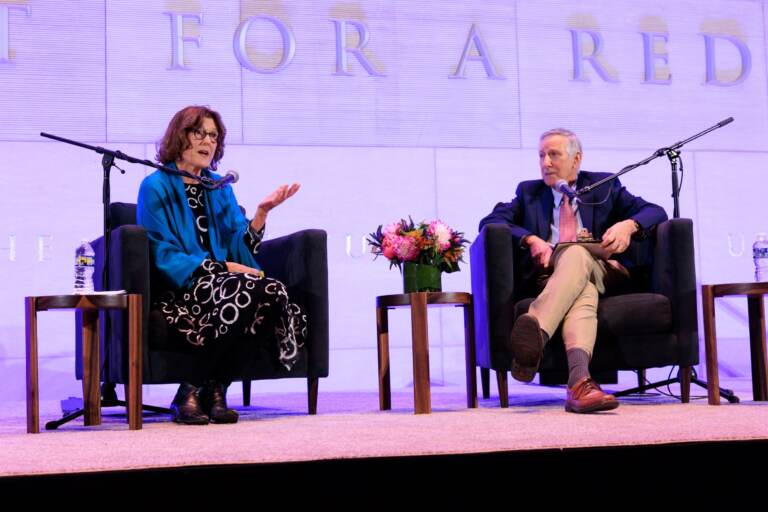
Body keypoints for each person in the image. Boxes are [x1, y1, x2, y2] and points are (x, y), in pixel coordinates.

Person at [137, 105, 306, 425]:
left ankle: (216, 389)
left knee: (271, 291)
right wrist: (223, 269)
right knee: (243, 291)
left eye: (213, 135)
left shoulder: (219, 187)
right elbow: (162, 252)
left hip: (224, 282)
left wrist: (261, 213)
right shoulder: (155, 187)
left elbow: (238, 244)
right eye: (199, 132)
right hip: (183, 285)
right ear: (179, 135)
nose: (207, 141)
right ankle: (188, 391)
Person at [479, 128, 667, 413]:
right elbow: (491, 221)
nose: (545, 163)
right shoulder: (529, 193)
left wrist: (629, 226)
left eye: (553, 155)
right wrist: (531, 239)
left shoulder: (605, 187)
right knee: (583, 290)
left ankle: (535, 337)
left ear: (576, 159)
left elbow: (655, 211)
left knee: (577, 253)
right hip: (557, 278)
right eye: (541, 155)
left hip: (606, 272)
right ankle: (580, 383)